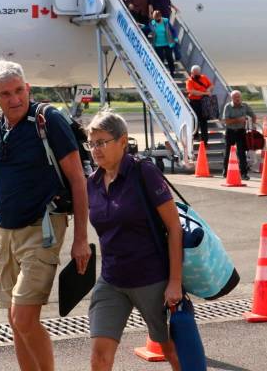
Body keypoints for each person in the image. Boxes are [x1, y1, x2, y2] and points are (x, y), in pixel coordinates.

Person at [0, 59, 91, 371]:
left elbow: (77, 179)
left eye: (19, 90)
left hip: (43, 228)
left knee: (23, 317)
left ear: (28, 88)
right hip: (4, 232)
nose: (15, 99)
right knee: (13, 319)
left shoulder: (48, 120)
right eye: (5, 94)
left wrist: (81, 240)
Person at [86, 111, 182, 371]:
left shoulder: (144, 173)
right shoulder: (92, 183)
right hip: (111, 281)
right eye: (92, 143)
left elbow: (174, 227)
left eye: (102, 142)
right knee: (99, 356)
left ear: (123, 141)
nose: (96, 149)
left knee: (172, 351)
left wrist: (174, 282)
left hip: (151, 280)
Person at [222, 90, 256, 180]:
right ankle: (225, 172)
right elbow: (226, 121)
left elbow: (253, 115)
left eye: (238, 97)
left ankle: (244, 174)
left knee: (242, 153)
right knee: (228, 152)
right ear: (232, 98)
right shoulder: (228, 107)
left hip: (241, 132)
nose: (237, 99)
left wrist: (253, 123)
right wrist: (238, 119)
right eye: (235, 97)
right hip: (230, 131)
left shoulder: (245, 106)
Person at [186, 65, 213, 144]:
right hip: (194, 102)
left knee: (204, 121)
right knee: (195, 119)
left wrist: (208, 90)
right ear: (192, 73)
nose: (196, 75)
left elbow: (211, 85)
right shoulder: (189, 81)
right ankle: (195, 135)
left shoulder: (204, 77)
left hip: (204, 101)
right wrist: (205, 93)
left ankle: (205, 140)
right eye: (195, 74)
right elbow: (192, 92)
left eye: (198, 74)